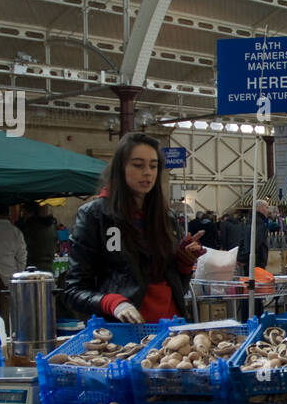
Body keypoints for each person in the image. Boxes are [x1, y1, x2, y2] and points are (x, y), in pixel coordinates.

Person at [65, 132, 203, 323]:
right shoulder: (94, 215)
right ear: (120, 168)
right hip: (124, 333)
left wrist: (184, 262)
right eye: (138, 165)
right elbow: (74, 290)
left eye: (153, 166)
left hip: (171, 328)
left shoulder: (166, 217)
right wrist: (113, 303)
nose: (147, 172)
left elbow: (179, 286)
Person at [18, 202, 58, 273]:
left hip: (33, 269)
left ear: (30, 213)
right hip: (49, 267)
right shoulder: (51, 225)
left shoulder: (31, 226)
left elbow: (23, 248)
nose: (23, 216)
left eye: (24, 213)